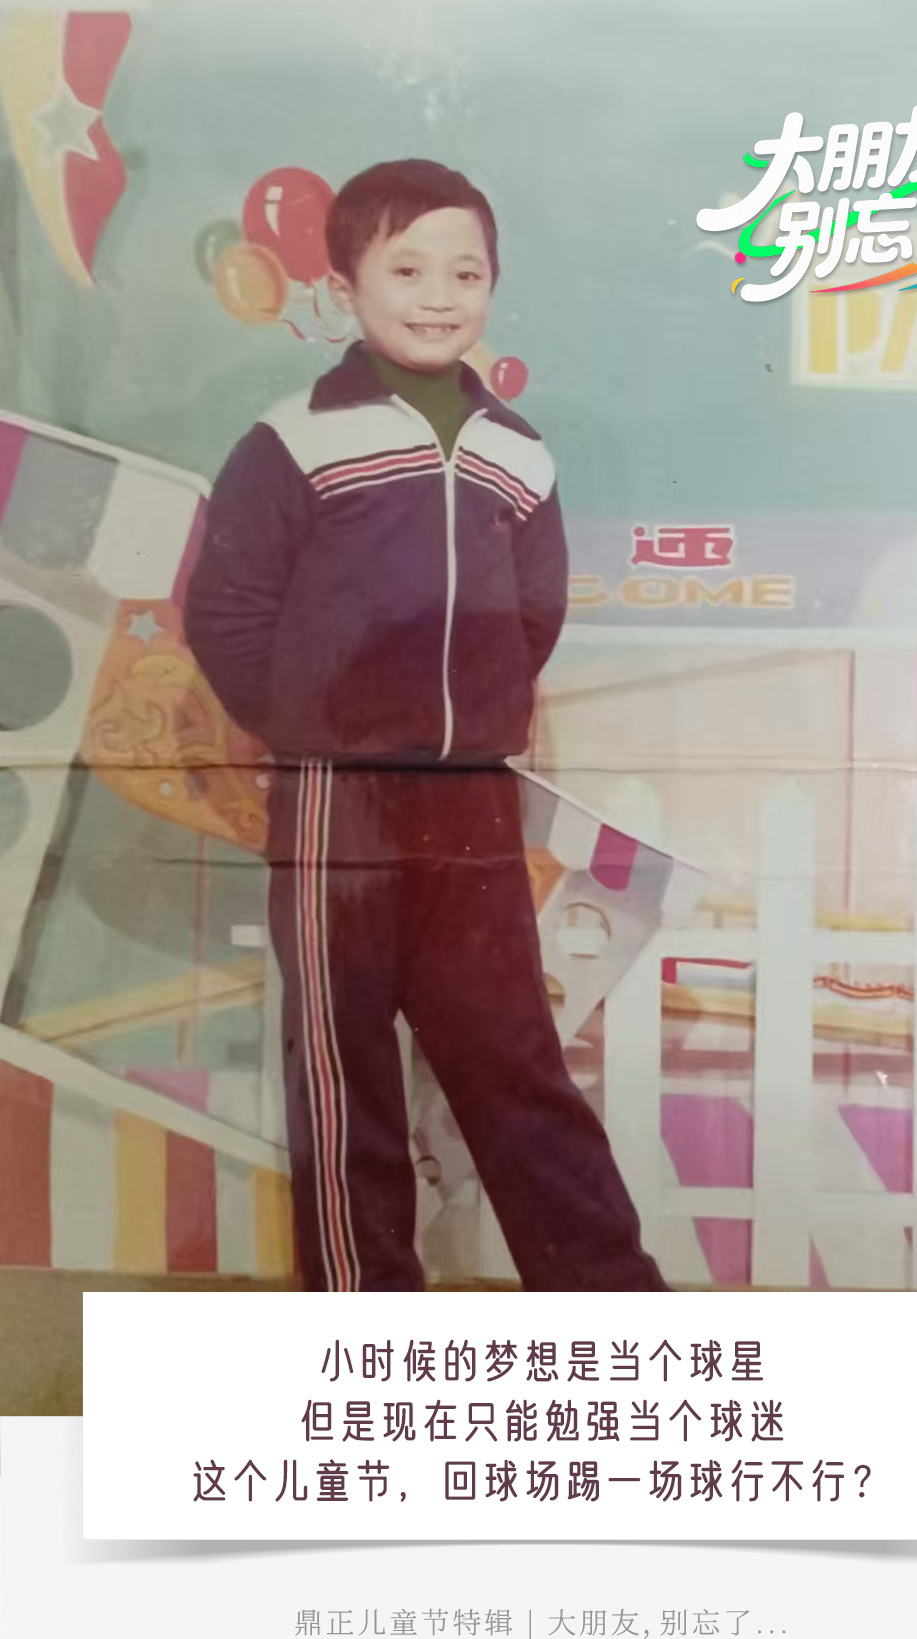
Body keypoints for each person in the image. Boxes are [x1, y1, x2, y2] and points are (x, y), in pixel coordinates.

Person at [184, 158, 665, 1293]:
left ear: (493, 284)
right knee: (344, 1068)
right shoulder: (294, 439)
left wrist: (476, 717)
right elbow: (227, 610)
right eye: (407, 270)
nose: (439, 294)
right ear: (345, 285)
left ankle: (615, 1308)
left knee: (513, 1058)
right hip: (338, 798)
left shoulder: (518, 453)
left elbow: (532, 614)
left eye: (465, 271)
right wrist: (311, 726)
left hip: (472, 799)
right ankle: (366, 1318)